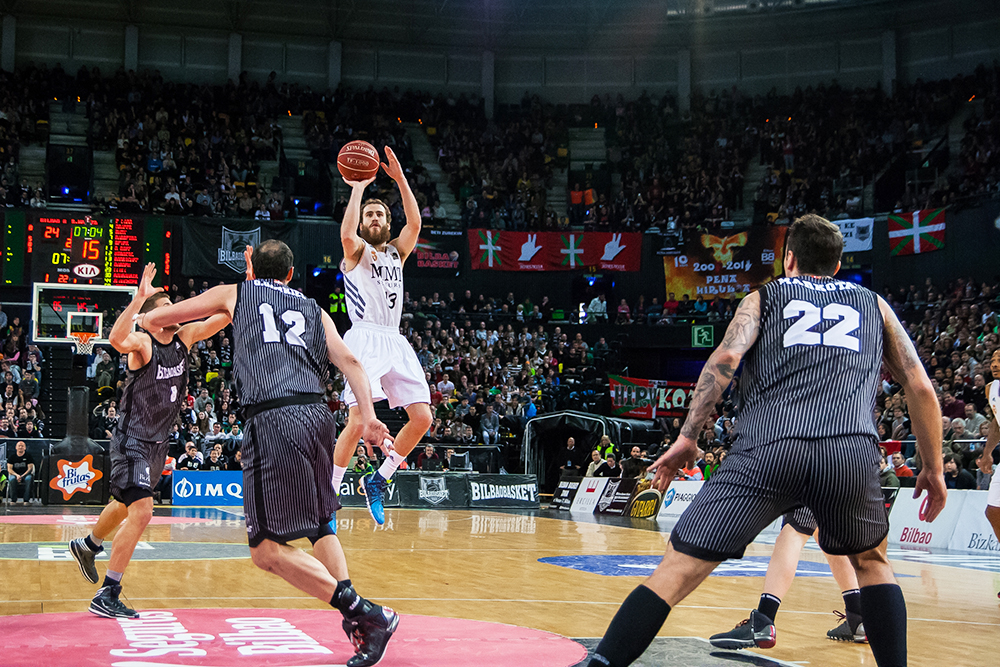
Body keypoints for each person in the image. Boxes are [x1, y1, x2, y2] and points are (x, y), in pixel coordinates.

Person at [587, 215, 946, 667]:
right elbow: (920, 386)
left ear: (788, 258)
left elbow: (727, 358)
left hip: (771, 447)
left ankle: (605, 663)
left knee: (676, 570)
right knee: (872, 562)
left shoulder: (763, 297)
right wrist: (932, 466)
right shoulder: (875, 305)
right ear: (836, 265)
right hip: (849, 451)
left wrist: (687, 436)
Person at [142, 242, 398, 666]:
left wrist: (145, 310)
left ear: (251, 269)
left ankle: (365, 612)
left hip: (273, 417)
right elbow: (351, 361)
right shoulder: (315, 310)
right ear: (291, 274)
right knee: (319, 524)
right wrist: (368, 417)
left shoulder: (236, 293)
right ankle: (358, 624)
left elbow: (161, 318)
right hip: (318, 417)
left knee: (264, 548)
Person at [69, 263, 229, 619]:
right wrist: (138, 298)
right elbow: (115, 339)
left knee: (124, 503)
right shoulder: (142, 343)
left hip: (158, 443)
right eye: (165, 307)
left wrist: (249, 288)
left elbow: (220, 318)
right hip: (133, 439)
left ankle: (88, 545)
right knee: (143, 511)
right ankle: (108, 592)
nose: (174, 310)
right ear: (152, 317)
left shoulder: (184, 338)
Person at [332, 146, 433, 526]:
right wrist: (358, 186)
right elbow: (345, 232)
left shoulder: (395, 252)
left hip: (394, 338)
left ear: (388, 223)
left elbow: (416, 225)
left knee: (422, 418)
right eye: (369, 215)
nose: (374, 218)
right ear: (362, 222)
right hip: (364, 338)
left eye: (380, 214)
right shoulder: (356, 252)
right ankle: (331, 490)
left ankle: (379, 479)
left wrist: (401, 181)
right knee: (357, 421)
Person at [710, 508, 869, 650]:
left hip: (816, 475)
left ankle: (763, 620)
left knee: (794, 530)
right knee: (829, 536)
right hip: (849, 478)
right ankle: (857, 617)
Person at [976, 349, 1000, 598]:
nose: (994, 364)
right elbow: (996, 421)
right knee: (993, 511)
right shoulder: (991, 388)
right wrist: (987, 453)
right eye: (992, 360)